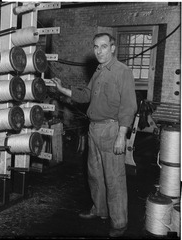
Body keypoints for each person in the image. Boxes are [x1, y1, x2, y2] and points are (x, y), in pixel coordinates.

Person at [51, 32, 137, 238]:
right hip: (94, 129)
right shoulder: (98, 71)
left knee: (114, 178)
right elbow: (86, 95)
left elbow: (129, 106)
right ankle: (100, 209)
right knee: (95, 174)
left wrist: (121, 136)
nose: (99, 51)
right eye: (96, 47)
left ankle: (119, 222)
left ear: (113, 48)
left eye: (104, 46)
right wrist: (63, 89)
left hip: (111, 129)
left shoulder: (122, 71)